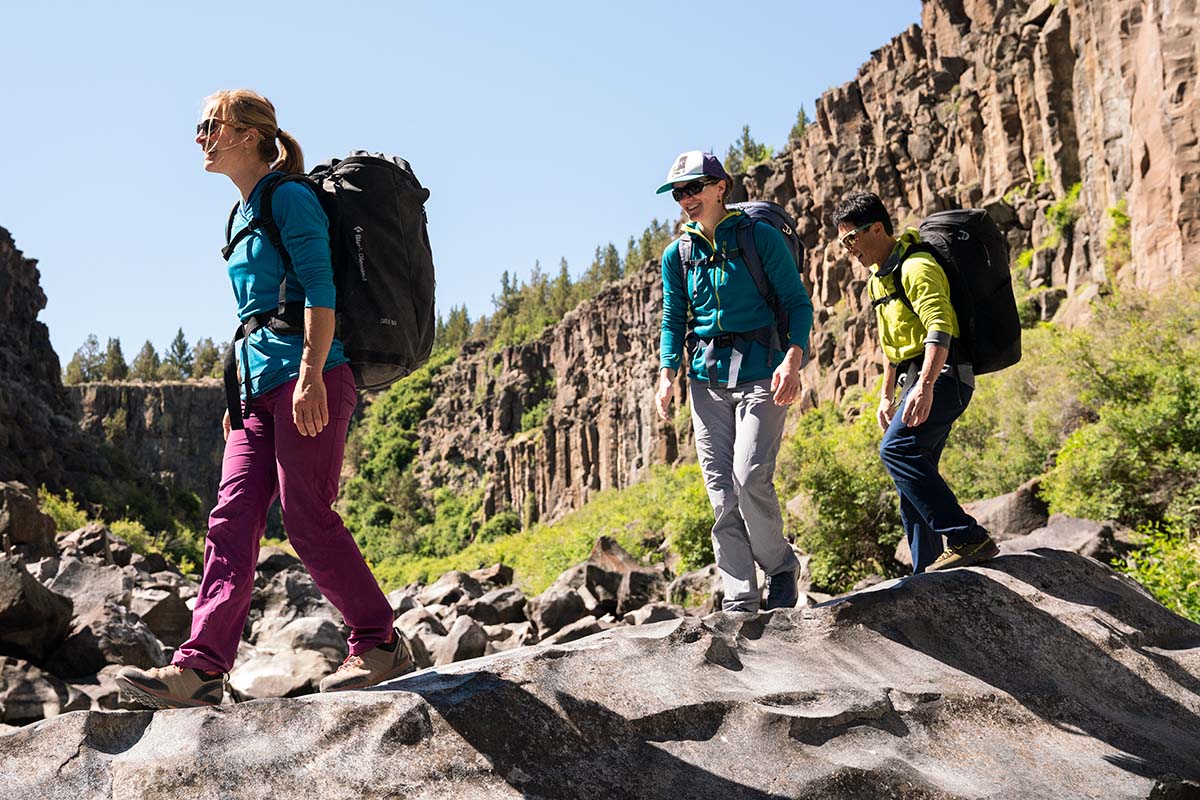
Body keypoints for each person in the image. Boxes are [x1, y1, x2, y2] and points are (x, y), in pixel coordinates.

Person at [116, 89, 412, 709]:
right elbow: (256, 315)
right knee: (231, 520)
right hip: (255, 392)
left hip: (313, 379)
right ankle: (200, 670)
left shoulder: (289, 197)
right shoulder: (242, 213)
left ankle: (379, 641)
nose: (200, 137)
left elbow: (319, 289)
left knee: (307, 517)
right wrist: (238, 393)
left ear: (249, 134)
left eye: (210, 125)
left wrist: (309, 374)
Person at [654, 151, 813, 612]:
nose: (686, 199)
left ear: (721, 187)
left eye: (694, 188)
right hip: (706, 379)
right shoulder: (677, 254)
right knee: (721, 491)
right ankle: (739, 595)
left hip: (763, 370)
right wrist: (668, 374)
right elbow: (673, 318)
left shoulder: (759, 238)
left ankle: (781, 568)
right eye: (678, 193)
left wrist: (793, 359)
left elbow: (796, 303)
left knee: (749, 478)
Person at [831, 192, 999, 574]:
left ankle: (968, 537)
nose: (848, 250)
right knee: (912, 477)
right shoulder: (878, 281)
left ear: (876, 229)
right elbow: (893, 346)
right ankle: (927, 571)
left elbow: (939, 326)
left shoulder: (917, 266)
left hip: (944, 375)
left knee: (897, 452)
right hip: (915, 379)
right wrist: (885, 396)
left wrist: (924, 385)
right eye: (843, 243)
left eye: (851, 239)